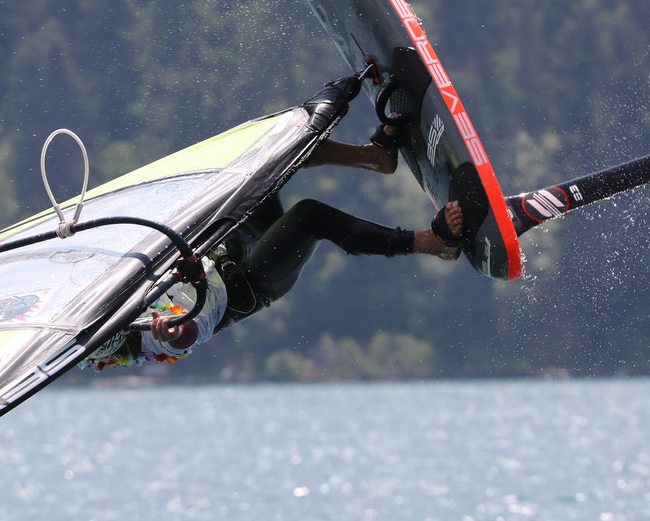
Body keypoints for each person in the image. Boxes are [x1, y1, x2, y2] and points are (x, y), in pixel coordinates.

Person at [83, 122, 463, 370]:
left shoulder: (117, 285)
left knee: (269, 156)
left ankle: (373, 157)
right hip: (254, 280)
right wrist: (173, 331)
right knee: (308, 216)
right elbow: (186, 335)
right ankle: (431, 243)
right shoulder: (149, 335)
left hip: (232, 243)